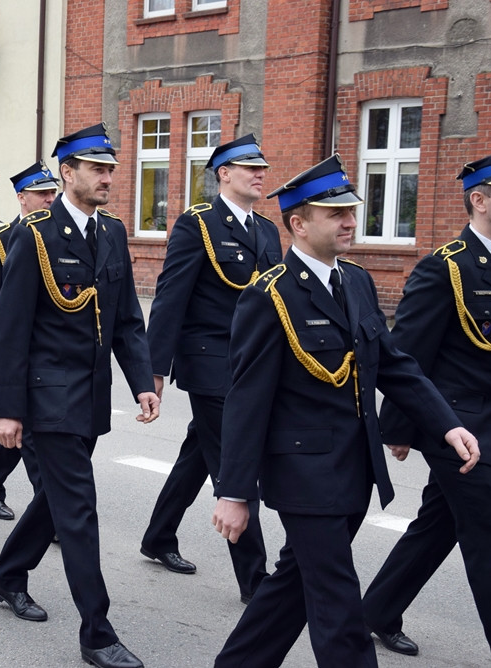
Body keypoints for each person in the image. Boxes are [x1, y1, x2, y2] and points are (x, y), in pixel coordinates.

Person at [210, 154, 480, 668]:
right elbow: (246, 399)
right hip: (303, 474)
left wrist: (447, 424)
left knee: (292, 585)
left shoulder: (355, 280)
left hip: (353, 469)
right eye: (334, 214)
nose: (350, 221)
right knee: (338, 605)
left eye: (350, 211)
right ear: (298, 223)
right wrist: (234, 491)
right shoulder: (270, 295)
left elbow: (394, 364)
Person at [361, 146, 491, 664]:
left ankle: (376, 612)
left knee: (439, 525)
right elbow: (405, 354)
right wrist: (401, 428)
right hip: (452, 427)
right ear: (479, 200)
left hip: (490, 424)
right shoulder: (443, 268)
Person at [0, 124, 160, 668]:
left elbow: (127, 320)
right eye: (98, 168)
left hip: (90, 397)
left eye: (111, 168)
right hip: (47, 398)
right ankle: (97, 632)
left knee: (56, 500)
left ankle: (8, 574)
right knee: (79, 508)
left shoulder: (110, 232)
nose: (109, 177)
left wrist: (142, 380)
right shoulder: (35, 234)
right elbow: (9, 327)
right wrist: (8, 410)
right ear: (68, 172)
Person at [140, 134, 276, 600]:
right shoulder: (196, 225)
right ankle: (256, 581)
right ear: (224, 174)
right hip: (211, 365)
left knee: (200, 451)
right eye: (249, 167)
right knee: (233, 467)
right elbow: (171, 298)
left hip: (251, 364)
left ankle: (159, 536)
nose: (260, 174)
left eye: (262, 168)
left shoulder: (267, 230)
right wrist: (152, 370)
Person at [0, 161, 57, 520]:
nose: (50, 199)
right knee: (32, 433)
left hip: (48, 352)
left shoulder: (59, 234)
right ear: (22, 197)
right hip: (15, 354)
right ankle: (48, 513)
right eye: (42, 194)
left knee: (22, 428)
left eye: (53, 193)